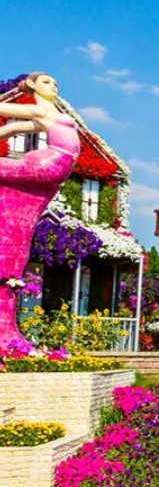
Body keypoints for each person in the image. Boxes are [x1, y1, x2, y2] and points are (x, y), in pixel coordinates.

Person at [0, 73, 83, 351]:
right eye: (47, 81)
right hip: (52, 161)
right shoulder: (39, 109)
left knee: (19, 231)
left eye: (56, 82)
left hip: (57, 166)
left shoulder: (48, 112)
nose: (54, 85)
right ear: (33, 85)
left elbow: (12, 131)